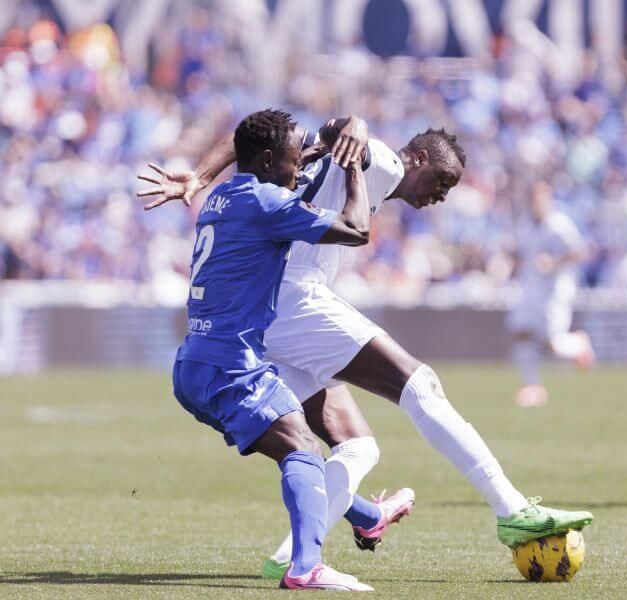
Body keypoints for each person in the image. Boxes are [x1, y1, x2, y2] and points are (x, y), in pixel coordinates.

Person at [144, 122, 595, 579]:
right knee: (419, 385)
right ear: (418, 159)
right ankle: (512, 509)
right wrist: (352, 124)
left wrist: (200, 177)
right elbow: (340, 132)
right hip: (293, 299)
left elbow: (253, 131)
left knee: (357, 446)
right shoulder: (383, 161)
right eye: (442, 180)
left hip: (266, 314)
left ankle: (293, 557)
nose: (442, 195)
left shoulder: (349, 165)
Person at [137, 109, 377, 591]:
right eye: (293, 161)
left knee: (289, 445)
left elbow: (255, 147)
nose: (299, 170)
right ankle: (306, 567)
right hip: (232, 365)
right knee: (303, 447)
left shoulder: (222, 194)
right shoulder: (268, 203)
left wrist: (314, 151)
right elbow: (357, 229)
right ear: (267, 160)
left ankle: (368, 515)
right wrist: (353, 165)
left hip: (193, 364)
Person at [507, 181, 594, 408]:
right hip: (530, 289)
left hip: (555, 290)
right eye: (533, 200)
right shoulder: (526, 225)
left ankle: (579, 344)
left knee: (551, 343)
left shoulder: (559, 225)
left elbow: (580, 252)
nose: (536, 204)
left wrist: (554, 262)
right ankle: (532, 386)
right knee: (520, 331)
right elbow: (522, 254)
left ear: (549, 200)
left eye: (540, 200)